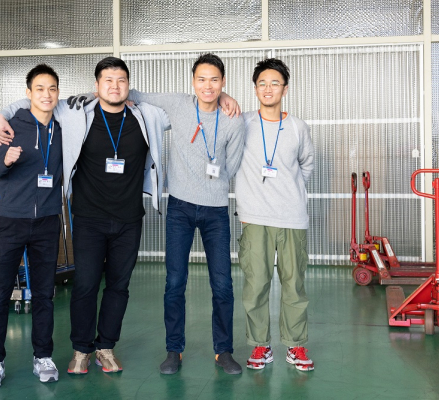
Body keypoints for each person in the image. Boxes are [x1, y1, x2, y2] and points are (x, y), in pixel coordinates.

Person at [0, 57, 170, 375]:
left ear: (129, 86)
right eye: (107, 80)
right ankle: (81, 349)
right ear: (96, 85)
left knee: (119, 287)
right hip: (88, 217)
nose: (114, 86)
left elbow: (183, 109)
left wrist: (221, 97)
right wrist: (0, 116)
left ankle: (106, 347)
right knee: (85, 285)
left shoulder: (146, 115)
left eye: (121, 81)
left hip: (129, 218)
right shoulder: (76, 112)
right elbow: (38, 99)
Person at [127, 53, 246, 375]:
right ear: (193, 81)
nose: (208, 86)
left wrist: (211, 182)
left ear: (223, 82)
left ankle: (224, 351)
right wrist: (96, 92)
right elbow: (135, 95)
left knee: (222, 284)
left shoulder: (233, 119)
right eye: (201, 79)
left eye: (215, 80)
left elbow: (233, 164)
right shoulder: (178, 104)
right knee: (175, 282)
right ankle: (173, 350)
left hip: (216, 210)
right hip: (180, 207)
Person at [0, 63, 63, 389]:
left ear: (58, 93)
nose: (46, 94)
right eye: (39, 88)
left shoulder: (64, 127)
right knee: (0, 293)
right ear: (28, 93)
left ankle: (43, 356)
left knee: (44, 294)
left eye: (52, 88)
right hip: (11, 222)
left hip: (47, 222)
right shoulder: (11, 127)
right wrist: (5, 160)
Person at [235, 58, 315, 372]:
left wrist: (290, 192)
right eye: (262, 83)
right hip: (255, 219)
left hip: (292, 218)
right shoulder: (242, 123)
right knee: (256, 286)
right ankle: (260, 345)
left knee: (294, 285)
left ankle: (295, 345)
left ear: (285, 88)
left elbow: (306, 164)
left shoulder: (297, 127)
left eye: (275, 83)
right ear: (255, 88)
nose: (268, 89)